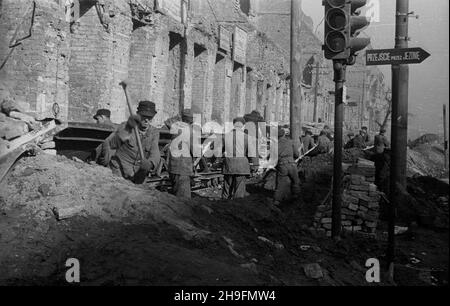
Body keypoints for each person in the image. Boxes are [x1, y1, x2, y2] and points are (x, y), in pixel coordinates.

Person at [101, 101, 160, 184]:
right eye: (144, 116)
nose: (147, 120)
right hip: (119, 171)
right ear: (138, 115)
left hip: (137, 174)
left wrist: (150, 164)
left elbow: (155, 152)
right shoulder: (127, 126)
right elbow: (111, 144)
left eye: (150, 117)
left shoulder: (154, 132)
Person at [167, 109, 200, 199]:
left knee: (175, 195)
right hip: (183, 168)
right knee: (183, 200)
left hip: (172, 167)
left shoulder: (174, 127)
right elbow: (196, 151)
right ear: (191, 120)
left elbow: (167, 122)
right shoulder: (191, 130)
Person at [222, 117, 257, 200]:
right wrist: (255, 165)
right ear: (243, 125)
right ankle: (237, 207)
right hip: (242, 166)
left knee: (227, 187)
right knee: (239, 189)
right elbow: (252, 153)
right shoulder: (247, 137)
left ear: (234, 125)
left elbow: (219, 151)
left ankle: (223, 205)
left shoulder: (225, 136)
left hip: (228, 164)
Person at [273, 127, 301, 206]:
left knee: (281, 183)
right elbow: (296, 154)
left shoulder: (275, 144)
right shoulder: (290, 142)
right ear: (284, 135)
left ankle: (277, 201)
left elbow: (273, 158)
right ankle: (296, 198)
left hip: (282, 165)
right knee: (295, 181)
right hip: (292, 164)